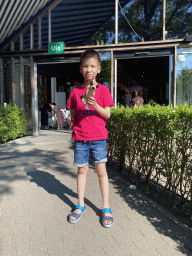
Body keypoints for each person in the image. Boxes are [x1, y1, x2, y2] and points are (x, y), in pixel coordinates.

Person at [66, 49, 114, 228]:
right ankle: (80, 205)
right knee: (82, 172)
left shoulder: (103, 90)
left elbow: (107, 115)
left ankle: (106, 207)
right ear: (81, 69)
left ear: (99, 69)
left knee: (101, 172)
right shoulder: (75, 91)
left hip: (99, 139)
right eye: (85, 66)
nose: (89, 69)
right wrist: (74, 124)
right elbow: (72, 112)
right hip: (80, 139)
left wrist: (95, 106)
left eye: (93, 66)